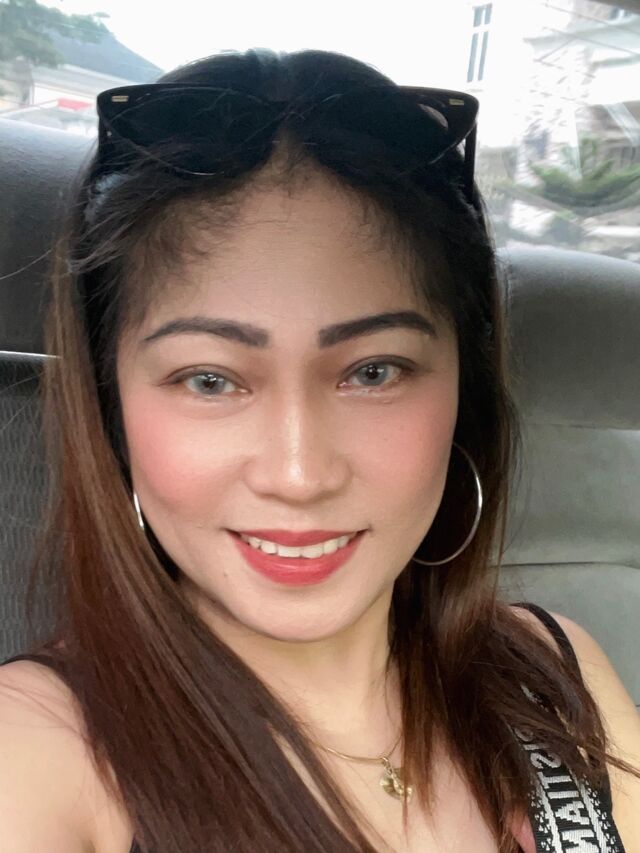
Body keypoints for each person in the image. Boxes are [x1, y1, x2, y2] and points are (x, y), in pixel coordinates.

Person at [0, 47, 638, 853]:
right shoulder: (38, 750)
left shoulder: (554, 670)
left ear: (463, 393)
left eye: (374, 371)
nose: (299, 475)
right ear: (112, 407)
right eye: (209, 380)